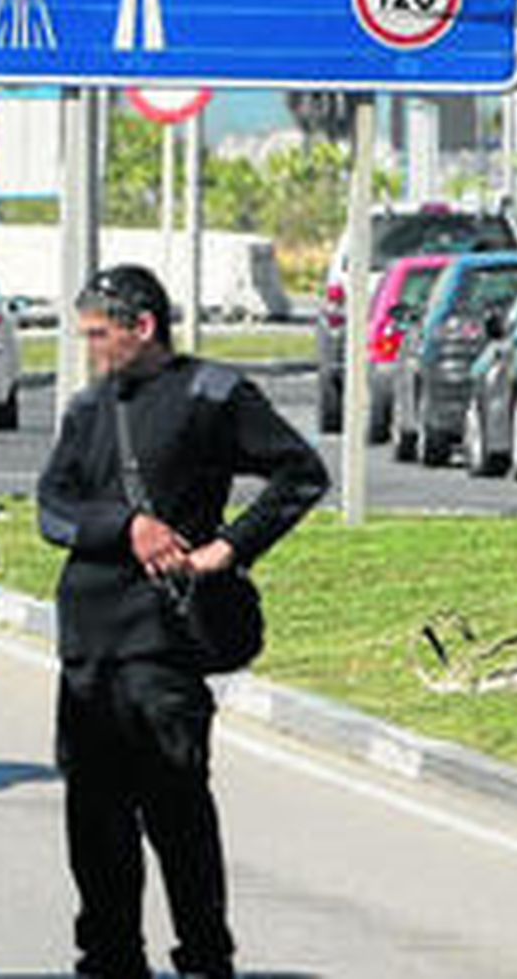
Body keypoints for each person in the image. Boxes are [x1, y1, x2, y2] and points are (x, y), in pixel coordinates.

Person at [36, 264, 329, 979]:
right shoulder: (87, 408)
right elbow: (52, 507)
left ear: (143, 327)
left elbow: (301, 474)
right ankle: (109, 954)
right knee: (94, 815)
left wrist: (227, 549)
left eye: (100, 334)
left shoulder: (213, 393)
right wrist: (126, 526)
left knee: (176, 807)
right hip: (89, 646)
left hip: (163, 640)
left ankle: (204, 951)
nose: (90, 348)